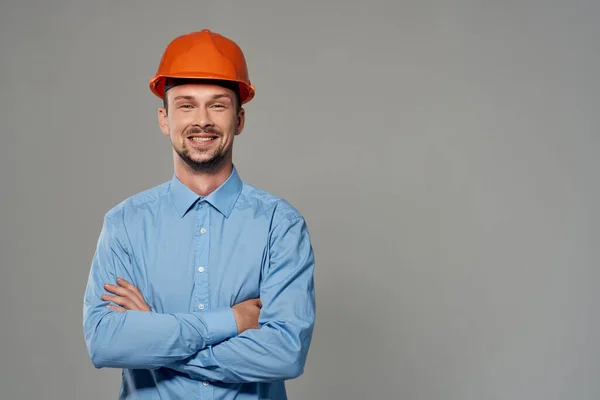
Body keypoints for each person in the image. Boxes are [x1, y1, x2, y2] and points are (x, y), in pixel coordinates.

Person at [82, 29, 316, 400]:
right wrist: (233, 322)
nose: (202, 120)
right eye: (186, 105)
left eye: (218, 105)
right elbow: (106, 343)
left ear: (239, 119)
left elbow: (285, 354)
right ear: (164, 118)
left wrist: (154, 339)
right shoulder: (124, 225)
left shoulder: (280, 225)